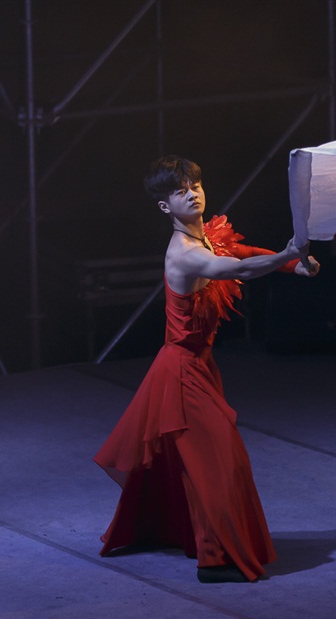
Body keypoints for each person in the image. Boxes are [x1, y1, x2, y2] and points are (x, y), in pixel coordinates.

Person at [94, 156, 319, 583]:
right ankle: (216, 560)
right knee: (219, 461)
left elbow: (242, 251)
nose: (192, 194)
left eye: (195, 185)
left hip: (200, 364)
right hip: (181, 373)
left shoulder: (208, 235)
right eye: (181, 191)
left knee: (195, 461)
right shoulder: (185, 254)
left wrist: (292, 264)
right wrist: (289, 253)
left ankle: (167, 529)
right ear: (165, 206)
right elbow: (237, 269)